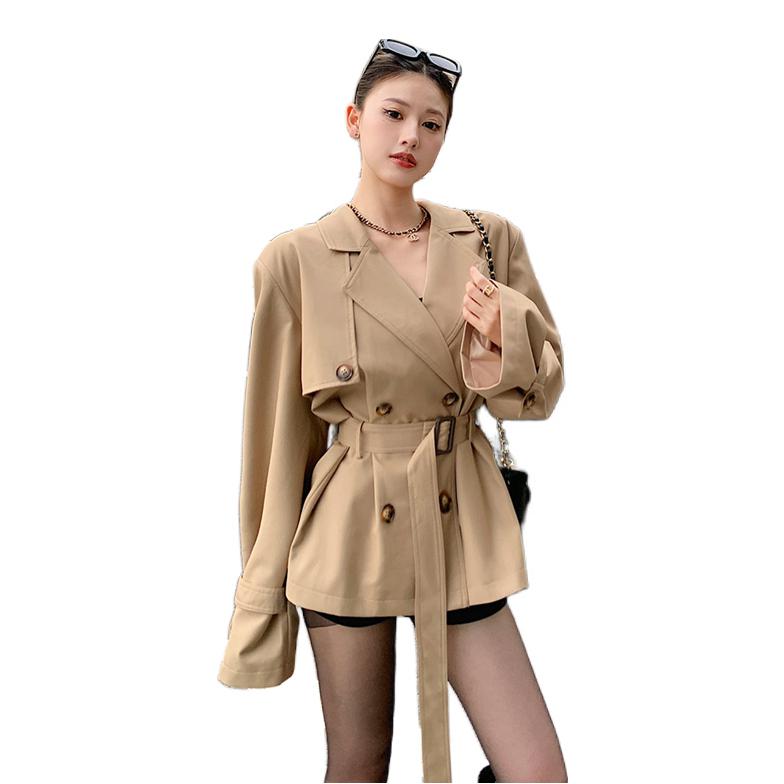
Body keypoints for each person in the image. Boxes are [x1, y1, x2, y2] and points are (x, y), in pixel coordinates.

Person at [217, 38, 568, 783]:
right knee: (359, 765)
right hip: (351, 525)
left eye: (432, 124)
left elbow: (537, 396)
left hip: (459, 516)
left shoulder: (488, 240)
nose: (411, 136)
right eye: (393, 114)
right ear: (354, 119)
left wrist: (504, 334)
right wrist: (260, 589)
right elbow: (276, 442)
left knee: (537, 771)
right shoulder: (296, 258)